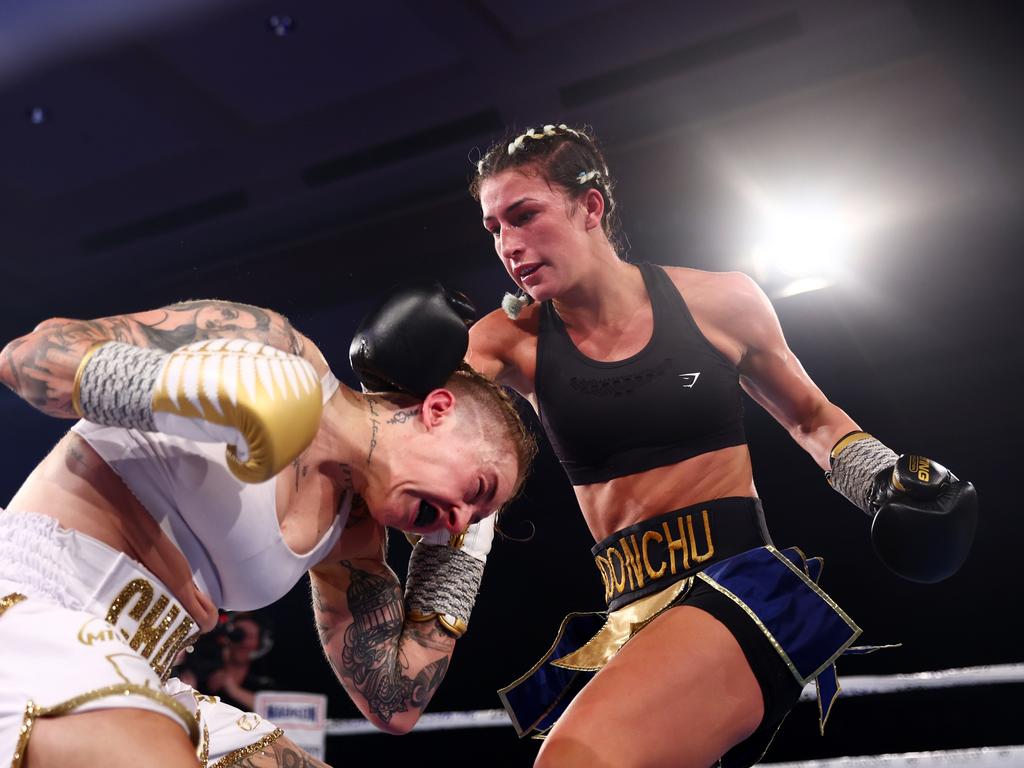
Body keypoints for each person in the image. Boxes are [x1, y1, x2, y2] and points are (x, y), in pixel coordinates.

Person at [447, 123, 975, 767]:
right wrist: (396, 374)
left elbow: (812, 419)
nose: (508, 244)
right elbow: (411, 425)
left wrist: (888, 481)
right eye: (494, 227)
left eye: (524, 215)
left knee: (576, 761)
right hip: (629, 615)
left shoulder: (718, 301)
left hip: (738, 589)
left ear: (591, 207)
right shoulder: (507, 339)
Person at [0, 295, 536, 768]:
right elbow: (27, 358)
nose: (459, 519)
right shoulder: (270, 348)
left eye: (473, 523)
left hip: (141, 670)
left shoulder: (353, 539)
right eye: (478, 490)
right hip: (36, 605)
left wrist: (455, 560)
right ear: (438, 410)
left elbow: (394, 702)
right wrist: (179, 391)